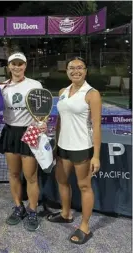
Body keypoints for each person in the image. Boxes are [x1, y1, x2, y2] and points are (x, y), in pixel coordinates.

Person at [0, 52, 47, 231]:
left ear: (25, 66)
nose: (17, 67)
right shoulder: (1, 87)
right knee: (13, 174)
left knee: (30, 176)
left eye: (20, 64)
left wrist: (43, 123)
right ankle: (18, 207)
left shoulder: (35, 85)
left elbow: (43, 110)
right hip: (10, 132)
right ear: (9, 66)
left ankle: (33, 211)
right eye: (13, 64)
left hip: (29, 132)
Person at [47, 57, 101, 244]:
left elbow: (97, 126)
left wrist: (95, 155)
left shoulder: (92, 94)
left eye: (80, 68)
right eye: (71, 68)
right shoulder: (63, 92)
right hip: (63, 146)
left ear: (86, 71)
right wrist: (55, 143)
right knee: (62, 181)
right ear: (67, 71)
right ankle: (66, 213)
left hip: (82, 147)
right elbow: (60, 120)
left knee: (84, 186)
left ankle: (85, 226)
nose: (75, 71)